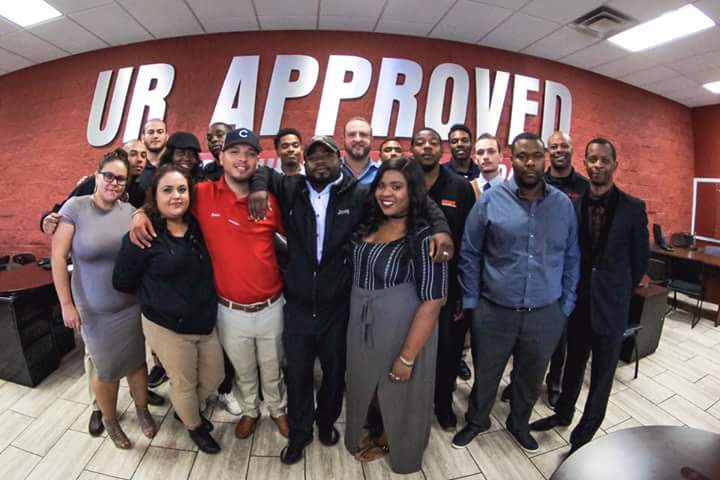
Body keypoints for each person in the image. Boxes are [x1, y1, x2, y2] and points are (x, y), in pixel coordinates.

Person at [246, 135, 453, 465]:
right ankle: (300, 434)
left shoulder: (359, 194)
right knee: (297, 374)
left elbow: (413, 198)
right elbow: (260, 171)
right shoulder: (290, 187)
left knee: (335, 373)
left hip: (340, 307)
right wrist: (258, 189)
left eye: (326, 155)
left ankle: (327, 423)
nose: (319, 161)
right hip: (299, 305)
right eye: (312, 156)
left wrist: (441, 227)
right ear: (304, 161)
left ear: (338, 158)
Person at [129, 128, 290, 441]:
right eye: (234, 152)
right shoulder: (202, 194)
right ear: (221, 157)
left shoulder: (269, 200)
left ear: (258, 161)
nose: (242, 159)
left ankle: (278, 409)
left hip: (271, 305)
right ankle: (250, 411)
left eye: (250, 153)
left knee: (273, 366)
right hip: (228, 308)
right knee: (242, 368)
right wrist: (140, 213)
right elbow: (168, 200)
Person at [453, 132, 580, 452]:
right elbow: (470, 252)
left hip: (545, 313)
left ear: (544, 159)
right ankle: (477, 421)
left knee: (531, 377)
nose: (530, 163)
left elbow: (572, 256)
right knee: (486, 373)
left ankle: (519, 423)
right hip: (494, 310)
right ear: (512, 159)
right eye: (523, 156)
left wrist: (565, 305)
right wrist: (472, 302)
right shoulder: (490, 201)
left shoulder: (562, 205)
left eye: (536, 156)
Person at [530, 138, 649, 455]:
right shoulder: (574, 205)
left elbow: (640, 262)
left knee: (601, 376)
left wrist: (618, 290)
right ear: (584, 162)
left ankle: (583, 435)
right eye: (592, 159)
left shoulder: (633, 208)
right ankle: (563, 413)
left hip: (612, 306)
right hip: (579, 303)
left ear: (614, 164)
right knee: (573, 365)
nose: (598, 165)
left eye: (604, 160)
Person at [40, 140, 163, 437]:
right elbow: (58, 258)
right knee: (105, 370)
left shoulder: (129, 211)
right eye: (109, 175)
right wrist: (66, 305)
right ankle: (109, 419)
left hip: (129, 305)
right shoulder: (75, 208)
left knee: (136, 363)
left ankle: (142, 409)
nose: (114, 182)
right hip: (93, 310)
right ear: (97, 176)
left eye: (120, 178)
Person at [344, 157, 447, 474]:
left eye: (397, 186)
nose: (386, 193)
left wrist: (407, 357)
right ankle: (377, 426)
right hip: (362, 325)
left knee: (399, 389)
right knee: (366, 382)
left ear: (412, 191)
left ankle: (392, 440)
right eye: (382, 185)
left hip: (403, 329)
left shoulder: (426, 237)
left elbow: (434, 300)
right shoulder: (371, 222)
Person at [113, 164, 224, 454]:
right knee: (184, 383)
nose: (176, 196)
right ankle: (194, 426)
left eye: (182, 189)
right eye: (168, 190)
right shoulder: (144, 234)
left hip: (204, 319)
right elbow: (122, 281)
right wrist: (158, 295)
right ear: (155, 196)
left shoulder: (197, 225)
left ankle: (185, 408)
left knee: (215, 375)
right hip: (167, 325)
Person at [411, 127, 476, 431]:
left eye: (433, 142)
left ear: (442, 149)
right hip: (407, 285)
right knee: (410, 348)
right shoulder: (401, 184)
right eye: (420, 142)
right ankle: (410, 403)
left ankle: (442, 404)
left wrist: (464, 290)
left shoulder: (460, 188)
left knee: (448, 351)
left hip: (448, 288)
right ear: (413, 149)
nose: (427, 147)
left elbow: (470, 243)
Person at [342, 117, 380, 184]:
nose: (358, 139)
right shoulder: (332, 172)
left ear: (371, 139)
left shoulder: (382, 173)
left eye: (363, 135)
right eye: (352, 135)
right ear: (344, 139)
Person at [469, 133, 505, 199]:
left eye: (491, 151)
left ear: (501, 156)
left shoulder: (513, 190)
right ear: (475, 159)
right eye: (480, 152)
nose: (485, 157)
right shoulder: (466, 189)